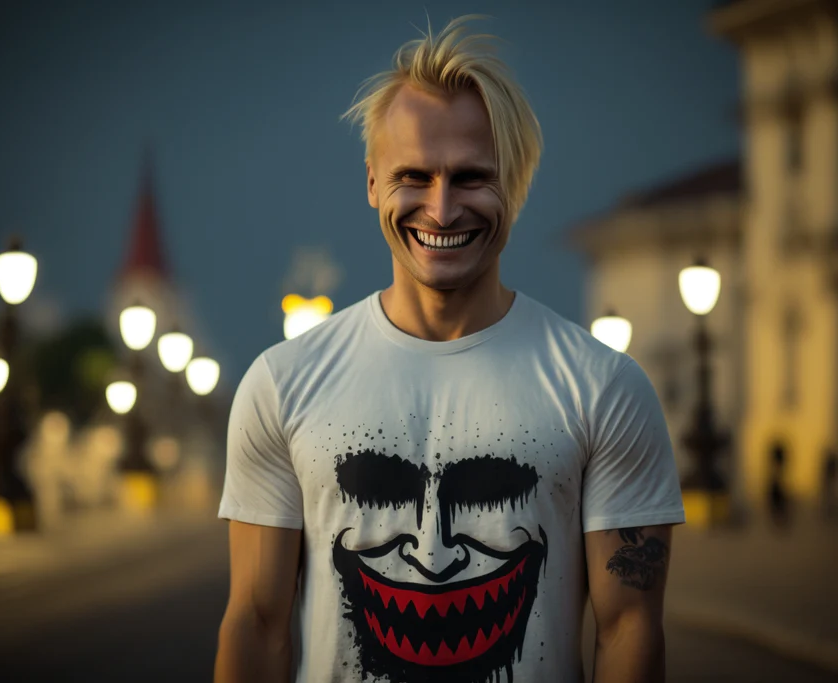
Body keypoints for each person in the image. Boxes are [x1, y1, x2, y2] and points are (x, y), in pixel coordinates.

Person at [214, 15, 685, 683]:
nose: (440, 209)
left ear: (515, 185)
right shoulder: (284, 383)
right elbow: (256, 624)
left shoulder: (603, 388)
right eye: (415, 176)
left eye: (470, 178)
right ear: (373, 182)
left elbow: (630, 628)